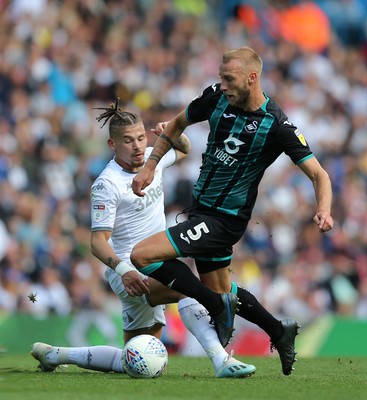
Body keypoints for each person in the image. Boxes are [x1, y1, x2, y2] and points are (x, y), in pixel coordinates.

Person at [122, 46, 334, 375]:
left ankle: (213, 304)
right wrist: (150, 166)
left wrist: (324, 209)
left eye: (229, 79)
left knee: (142, 256)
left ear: (252, 78)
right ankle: (279, 331)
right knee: (222, 288)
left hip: (224, 220)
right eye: (221, 78)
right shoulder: (217, 97)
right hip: (200, 211)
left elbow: (319, 174)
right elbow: (177, 123)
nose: (222, 85)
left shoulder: (277, 125)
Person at [31, 99, 256, 378]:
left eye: (140, 138)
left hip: (157, 263)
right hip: (129, 268)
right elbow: (98, 241)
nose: (137, 146)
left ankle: (56, 354)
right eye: (128, 141)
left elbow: (185, 150)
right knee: (191, 288)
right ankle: (221, 360)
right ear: (113, 145)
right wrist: (124, 271)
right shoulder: (106, 184)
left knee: (137, 355)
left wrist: (172, 132)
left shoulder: (153, 158)